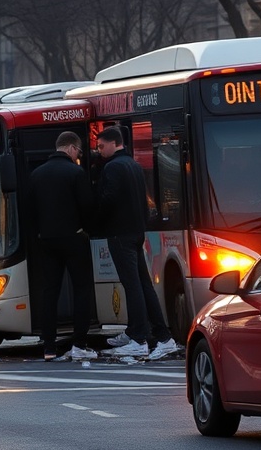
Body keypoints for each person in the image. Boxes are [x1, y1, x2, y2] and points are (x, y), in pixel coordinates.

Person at [94, 126, 181, 360]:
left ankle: (139, 339)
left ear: (113, 143)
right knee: (143, 285)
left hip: (119, 233)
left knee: (132, 286)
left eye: (101, 146)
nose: (99, 150)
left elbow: (108, 200)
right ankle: (162, 336)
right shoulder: (133, 165)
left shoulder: (112, 167)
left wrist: (97, 220)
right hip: (136, 232)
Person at [30, 131, 97, 362]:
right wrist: (85, 229)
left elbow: (30, 210)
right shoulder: (76, 172)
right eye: (78, 151)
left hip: (46, 240)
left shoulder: (36, 175)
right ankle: (79, 343)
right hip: (74, 238)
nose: (78, 156)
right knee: (81, 289)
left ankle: (49, 346)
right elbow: (87, 206)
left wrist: (39, 233)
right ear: (70, 148)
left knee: (50, 292)